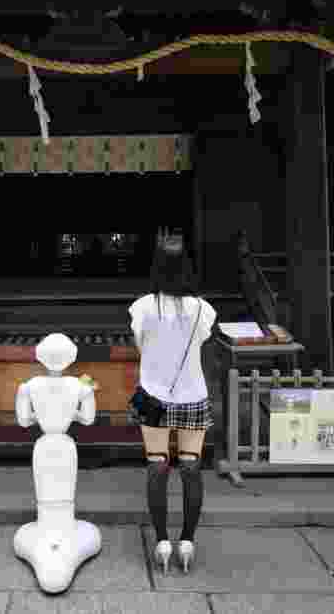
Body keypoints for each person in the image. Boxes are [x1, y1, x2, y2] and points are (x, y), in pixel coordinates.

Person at [128, 235, 217, 574]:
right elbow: (204, 340)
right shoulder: (203, 310)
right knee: (191, 468)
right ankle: (188, 542)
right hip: (193, 397)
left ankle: (162, 541)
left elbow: (141, 345)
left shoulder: (142, 307)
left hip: (153, 399)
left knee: (158, 466)